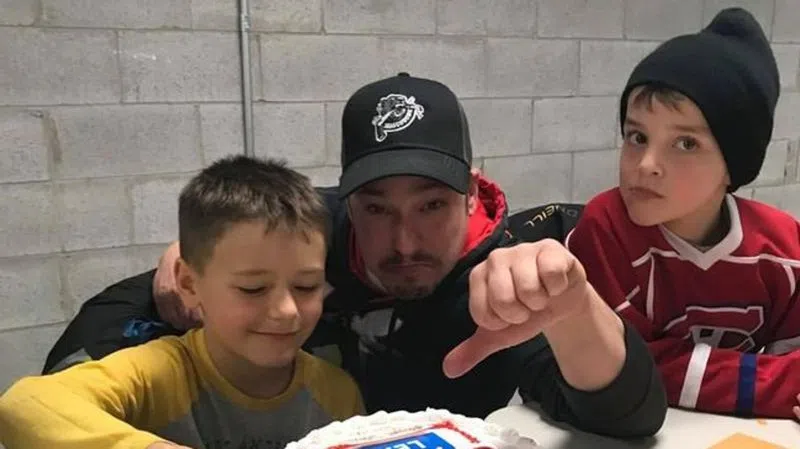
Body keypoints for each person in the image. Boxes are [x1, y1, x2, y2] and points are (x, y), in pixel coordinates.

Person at [43, 73, 667, 438]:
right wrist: (170, 289)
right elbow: (100, 333)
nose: (405, 243)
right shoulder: (310, 231)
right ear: (348, 199)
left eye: (431, 206)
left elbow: (629, 418)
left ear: (472, 193)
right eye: (376, 208)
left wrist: (576, 311)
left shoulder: (503, 276)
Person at [0, 156, 364, 448]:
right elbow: (24, 405)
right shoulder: (159, 373)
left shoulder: (337, 393)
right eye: (253, 289)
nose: (286, 311)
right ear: (189, 284)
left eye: (306, 286)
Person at [565, 8, 800, 421]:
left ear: (734, 166)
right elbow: (632, 369)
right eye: (637, 136)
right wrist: (772, 387)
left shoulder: (785, 249)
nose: (646, 165)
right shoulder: (604, 230)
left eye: (686, 144)